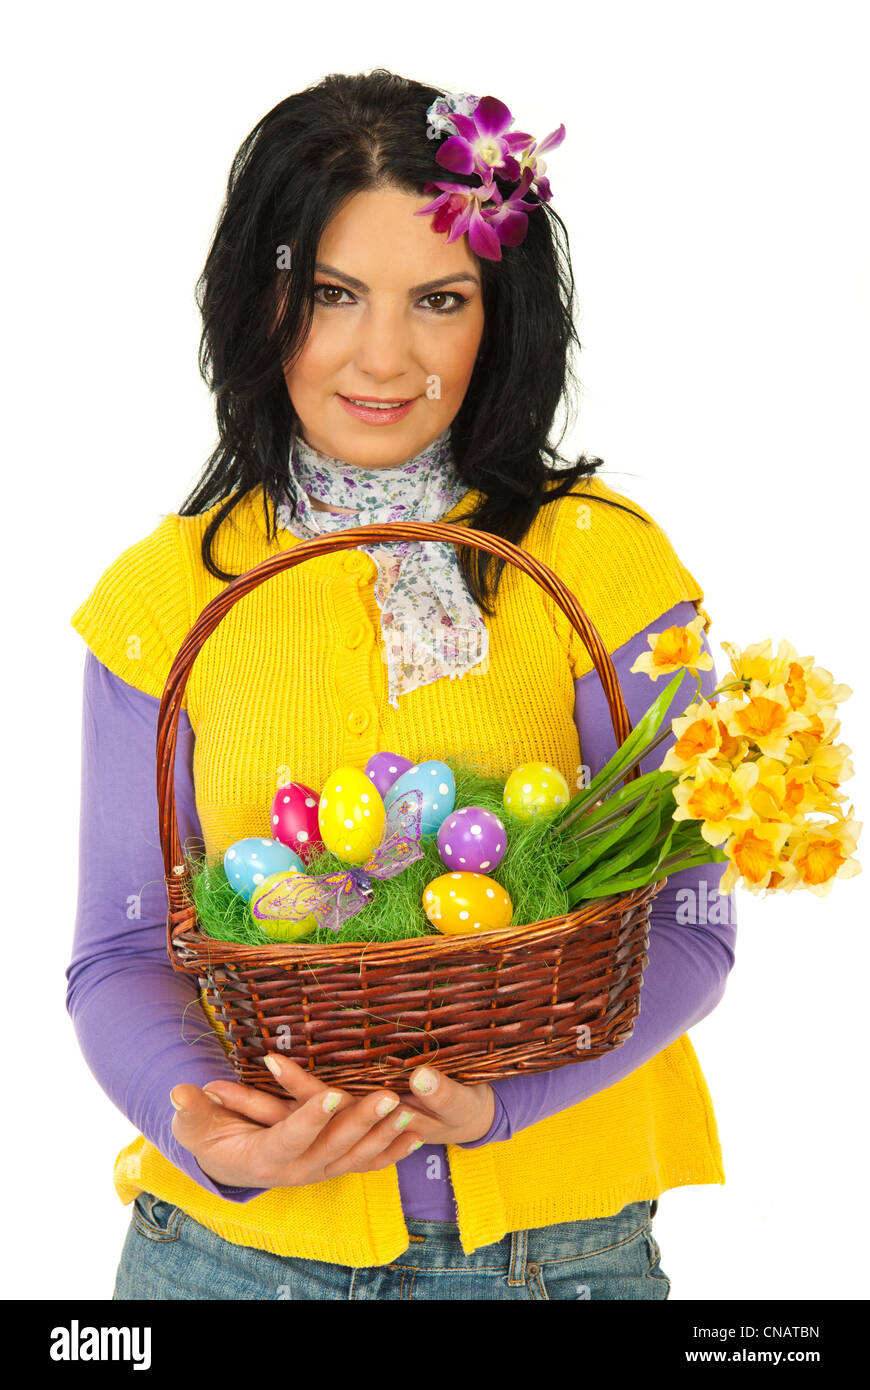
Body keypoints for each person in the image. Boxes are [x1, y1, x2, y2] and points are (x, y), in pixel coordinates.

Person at [67, 70, 737, 1301]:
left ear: (502, 312)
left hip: (557, 1260)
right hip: (223, 1260)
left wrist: (504, 1102)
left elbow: (689, 915)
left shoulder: (607, 568)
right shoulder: (168, 598)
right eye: (330, 294)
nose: (385, 357)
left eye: (440, 299)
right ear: (258, 301)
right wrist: (201, 1127)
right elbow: (117, 952)